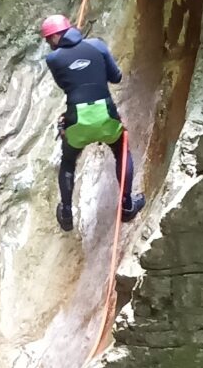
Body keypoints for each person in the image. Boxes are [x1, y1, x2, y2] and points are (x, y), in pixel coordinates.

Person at [39, 14, 145, 231]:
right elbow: (116, 77)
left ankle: (66, 214)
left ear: (57, 36)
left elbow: (66, 84)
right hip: (104, 114)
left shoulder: (53, 59)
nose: (49, 44)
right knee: (121, 151)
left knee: (68, 162)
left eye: (49, 39)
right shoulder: (97, 45)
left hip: (77, 118)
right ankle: (127, 206)